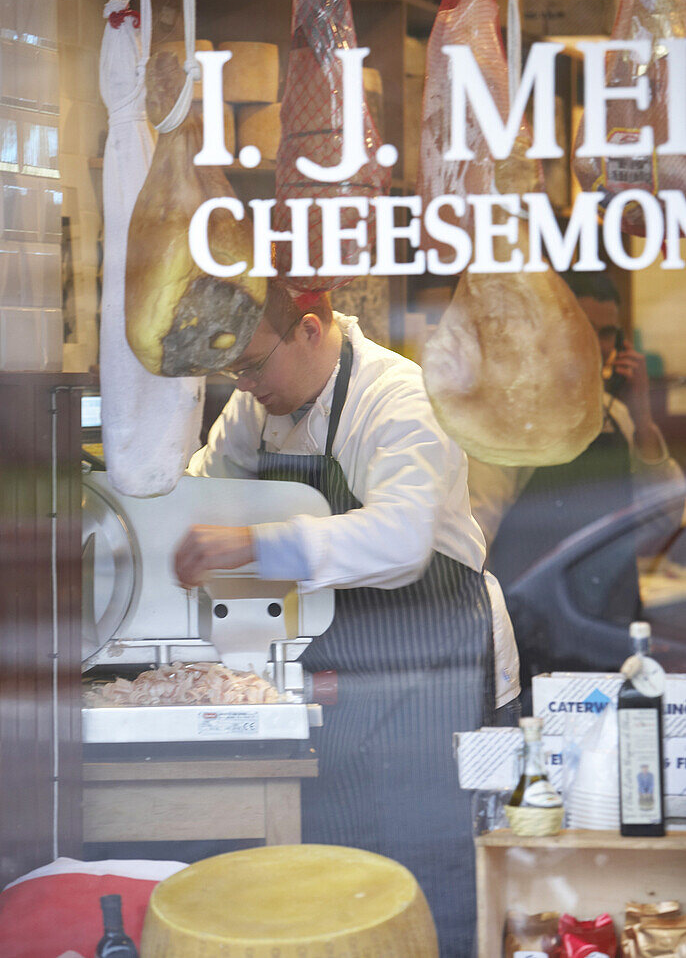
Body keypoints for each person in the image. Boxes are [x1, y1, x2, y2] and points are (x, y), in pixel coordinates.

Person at [174, 283, 519, 956]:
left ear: (309, 329)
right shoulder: (257, 403)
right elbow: (207, 482)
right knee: (342, 866)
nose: (243, 385)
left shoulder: (400, 400)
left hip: (442, 663)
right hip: (351, 669)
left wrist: (254, 544)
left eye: (251, 365)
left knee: (435, 871)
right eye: (232, 372)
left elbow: (400, 542)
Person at [468, 270, 683, 673]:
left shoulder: (618, 415)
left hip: (612, 629)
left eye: (607, 334)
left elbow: (668, 518)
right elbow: (477, 538)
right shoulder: (513, 422)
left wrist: (644, 420)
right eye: (585, 330)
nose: (598, 347)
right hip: (532, 632)